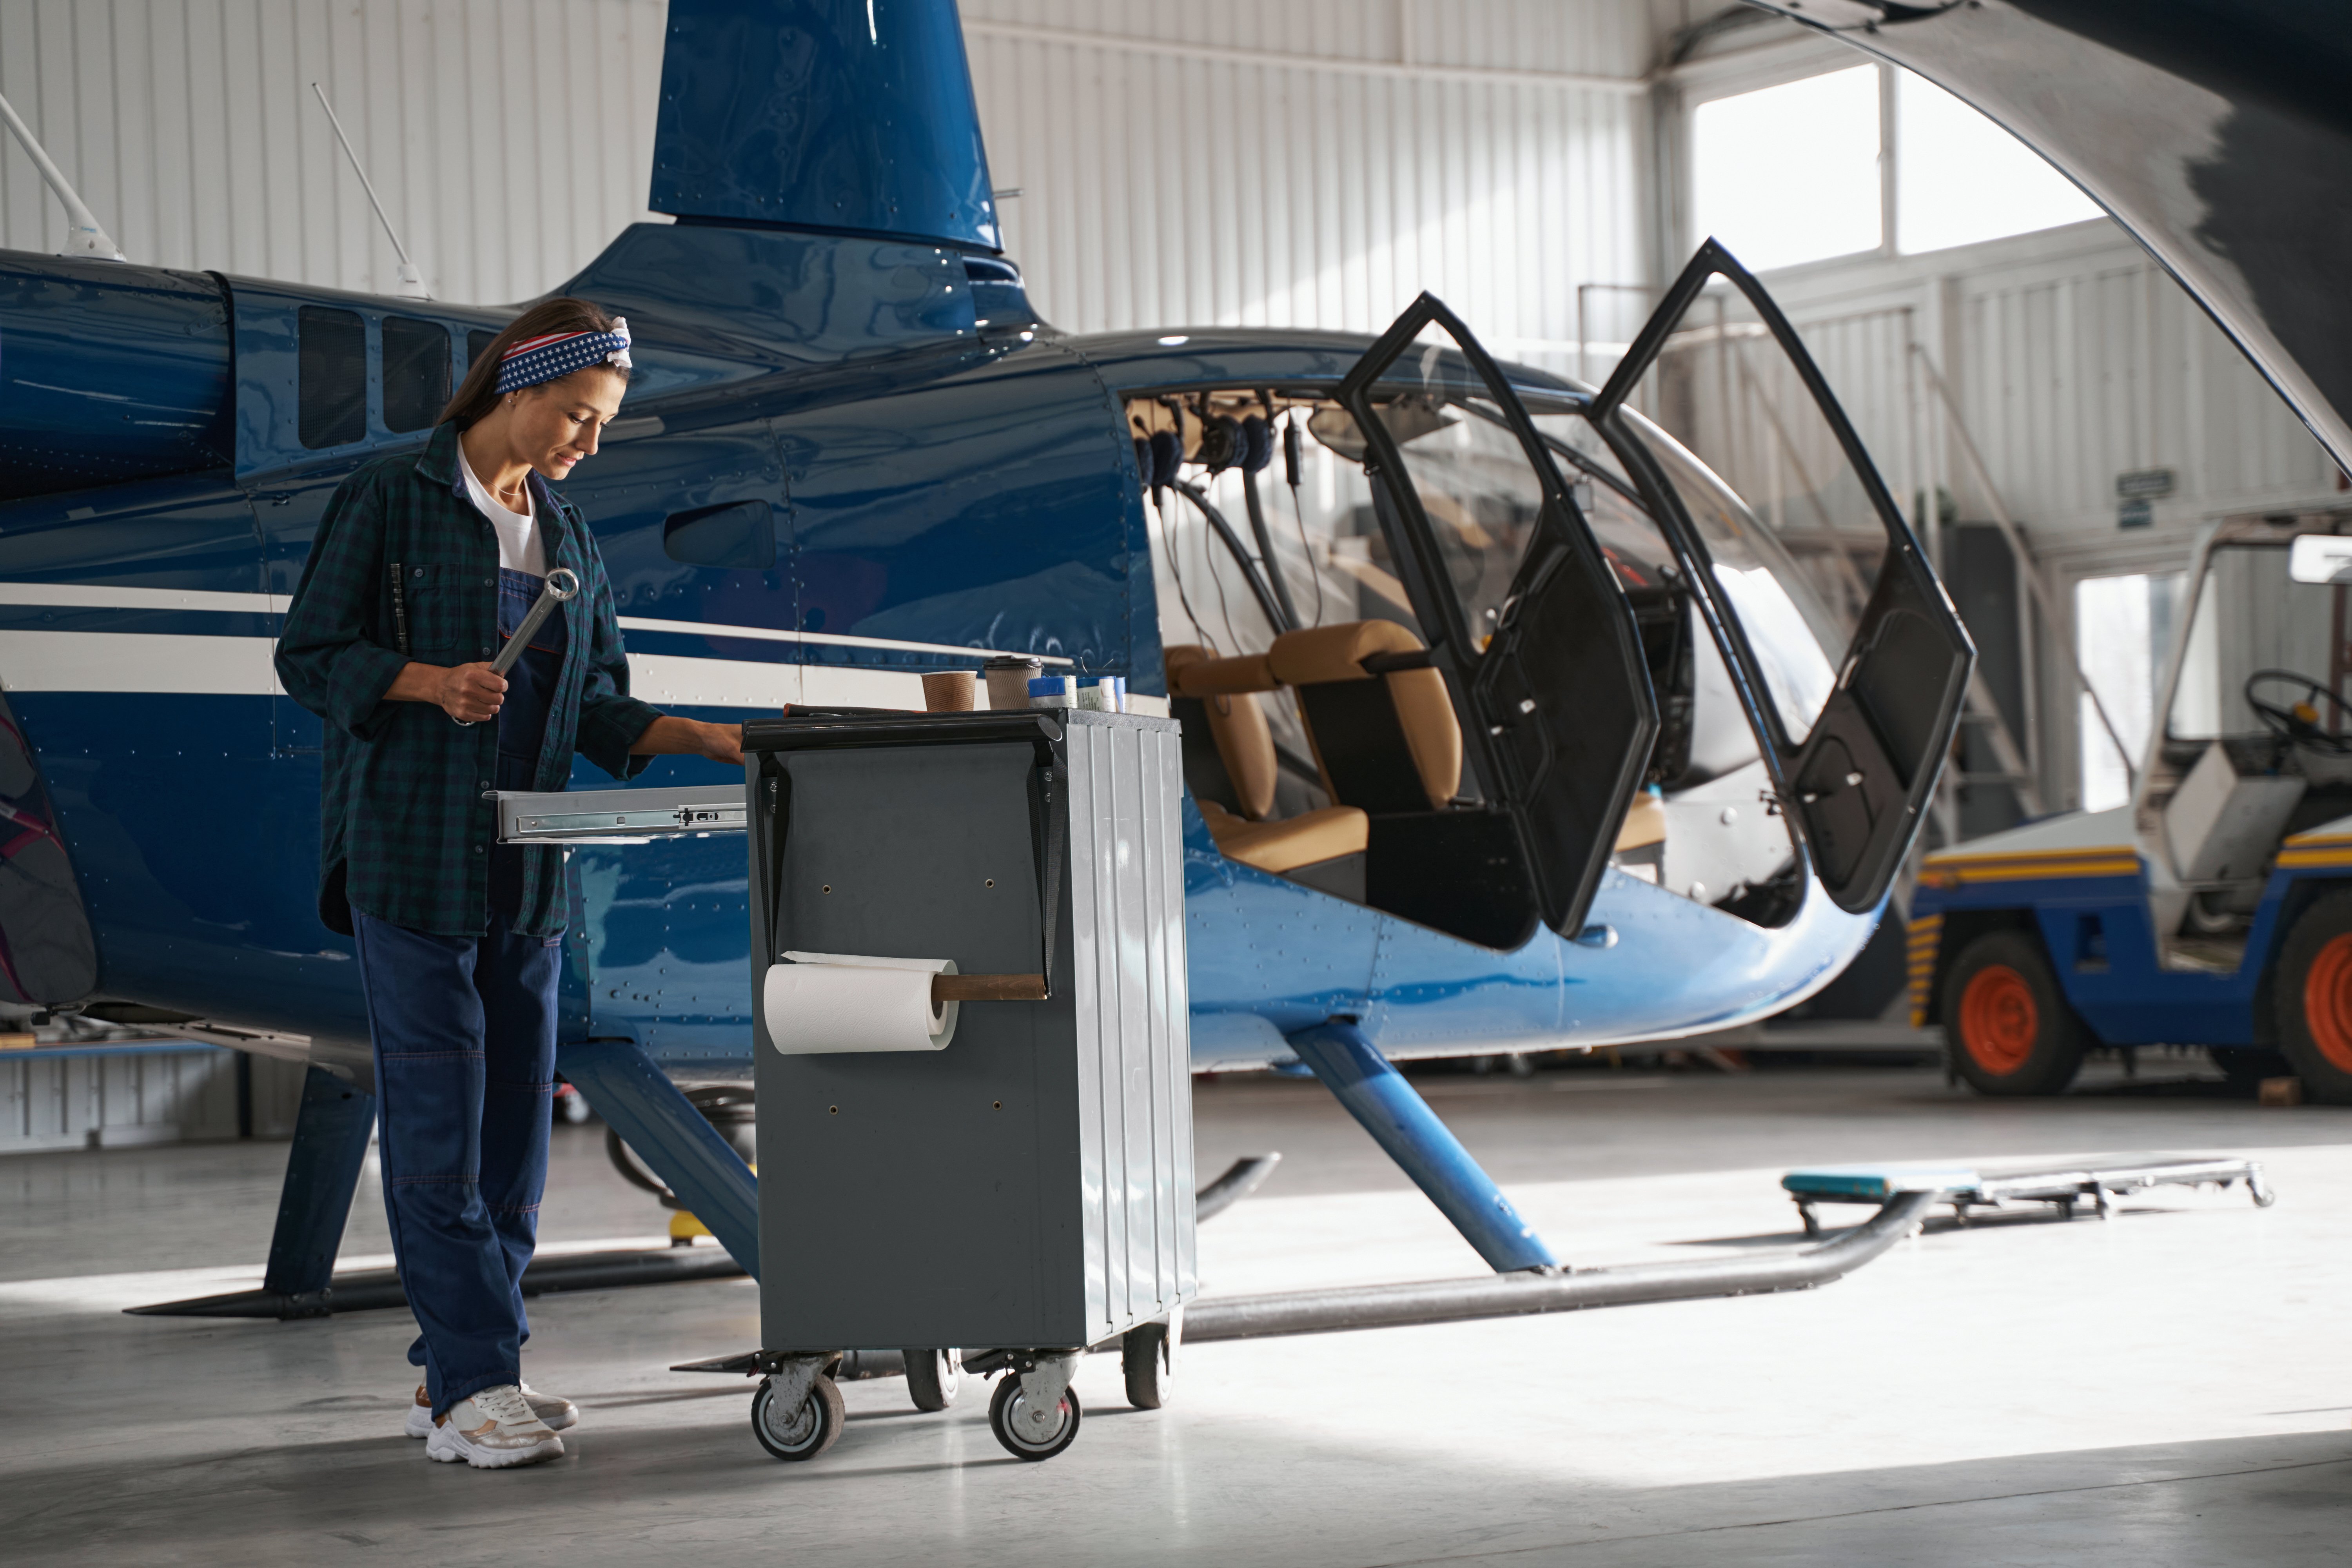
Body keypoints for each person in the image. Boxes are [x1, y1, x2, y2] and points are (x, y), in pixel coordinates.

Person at [275, 298, 740, 1470]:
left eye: (602, 426)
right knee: (437, 1124)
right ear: (519, 389)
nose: (590, 443)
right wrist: (428, 683)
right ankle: (475, 1382)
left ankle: (477, 1373)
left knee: (513, 1141)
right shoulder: (392, 501)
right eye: (579, 418)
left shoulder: (569, 539)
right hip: (410, 861)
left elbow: (600, 704)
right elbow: (309, 656)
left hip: (527, 874)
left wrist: (701, 733)